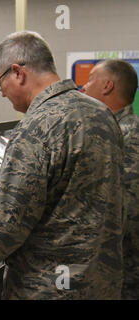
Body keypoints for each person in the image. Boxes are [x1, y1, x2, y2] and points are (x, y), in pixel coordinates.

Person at [0, 31, 125, 299]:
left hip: (49, 288)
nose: (2, 94)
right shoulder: (101, 113)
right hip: (103, 282)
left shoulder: (37, 127)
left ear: (17, 73)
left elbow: (6, 224)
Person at [82, 59, 139, 300]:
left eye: (91, 78)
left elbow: (124, 215)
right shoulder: (120, 130)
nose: (83, 86)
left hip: (124, 274)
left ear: (107, 86)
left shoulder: (124, 139)